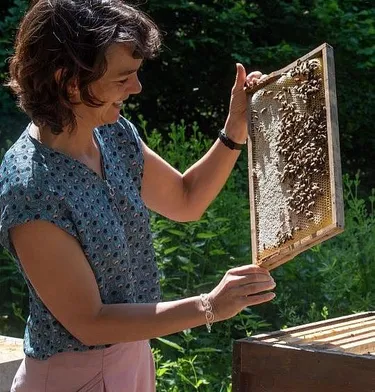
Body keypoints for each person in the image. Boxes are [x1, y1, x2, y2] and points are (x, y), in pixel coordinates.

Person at [0, 0, 276, 391]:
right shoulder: (31, 186)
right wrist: (209, 306)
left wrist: (235, 129)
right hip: (69, 376)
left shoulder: (112, 133)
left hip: (132, 358)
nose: (137, 87)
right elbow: (90, 322)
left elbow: (185, 199)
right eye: (122, 77)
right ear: (69, 80)